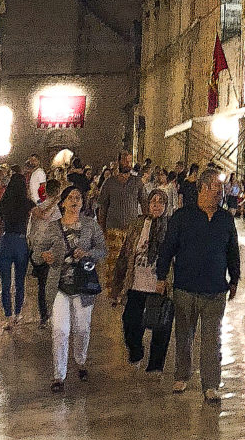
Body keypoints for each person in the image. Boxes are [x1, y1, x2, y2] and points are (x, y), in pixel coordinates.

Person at [156, 168, 240, 400]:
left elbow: (232, 251)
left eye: (221, 188)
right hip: (185, 287)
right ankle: (182, 376)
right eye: (215, 187)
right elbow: (167, 249)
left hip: (215, 289)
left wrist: (235, 278)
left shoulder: (225, 219)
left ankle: (211, 384)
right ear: (202, 188)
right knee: (184, 335)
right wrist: (161, 277)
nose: (220, 193)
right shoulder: (182, 217)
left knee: (212, 338)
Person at [36, 185, 106, 391]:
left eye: (79, 198)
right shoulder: (53, 227)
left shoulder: (90, 226)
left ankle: (81, 360)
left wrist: (88, 253)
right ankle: (59, 375)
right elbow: (37, 251)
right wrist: (44, 256)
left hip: (83, 285)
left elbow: (102, 250)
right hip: (60, 285)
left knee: (82, 328)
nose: (75, 201)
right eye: (71, 198)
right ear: (63, 202)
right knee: (60, 329)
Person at [116, 187, 174, 373]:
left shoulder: (171, 227)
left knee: (160, 326)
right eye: (153, 201)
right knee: (130, 322)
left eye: (160, 202)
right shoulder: (138, 224)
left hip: (159, 284)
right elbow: (126, 252)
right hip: (136, 283)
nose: (156, 205)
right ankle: (136, 351)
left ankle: (155, 367)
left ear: (166, 205)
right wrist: (118, 282)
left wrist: (167, 280)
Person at [97, 153, 145, 290]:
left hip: (132, 230)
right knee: (113, 263)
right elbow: (103, 207)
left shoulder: (137, 182)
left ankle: (126, 291)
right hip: (113, 229)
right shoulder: (109, 183)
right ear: (119, 162)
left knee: (129, 261)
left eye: (130, 162)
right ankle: (113, 291)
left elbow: (144, 202)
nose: (128, 164)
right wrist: (102, 229)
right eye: (125, 161)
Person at [0, 166, 32, 325]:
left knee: (5, 282)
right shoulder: (27, 203)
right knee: (19, 281)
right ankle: (17, 313)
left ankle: (8, 315)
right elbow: (39, 215)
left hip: (6, 241)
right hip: (21, 242)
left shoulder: (4, 202)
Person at [27, 195, 54, 325]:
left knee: (42, 285)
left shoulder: (37, 207)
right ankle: (51, 314)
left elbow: (31, 231)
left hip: (38, 251)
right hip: (50, 251)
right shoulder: (57, 209)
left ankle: (44, 316)